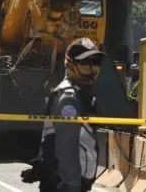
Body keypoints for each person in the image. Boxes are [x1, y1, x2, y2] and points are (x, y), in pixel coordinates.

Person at [24, 38, 103, 191]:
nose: (92, 70)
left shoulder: (81, 94)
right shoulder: (69, 98)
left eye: (96, 64)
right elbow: (66, 146)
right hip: (65, 183)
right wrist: (71, 185)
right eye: (86, 65)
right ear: (71, 66)